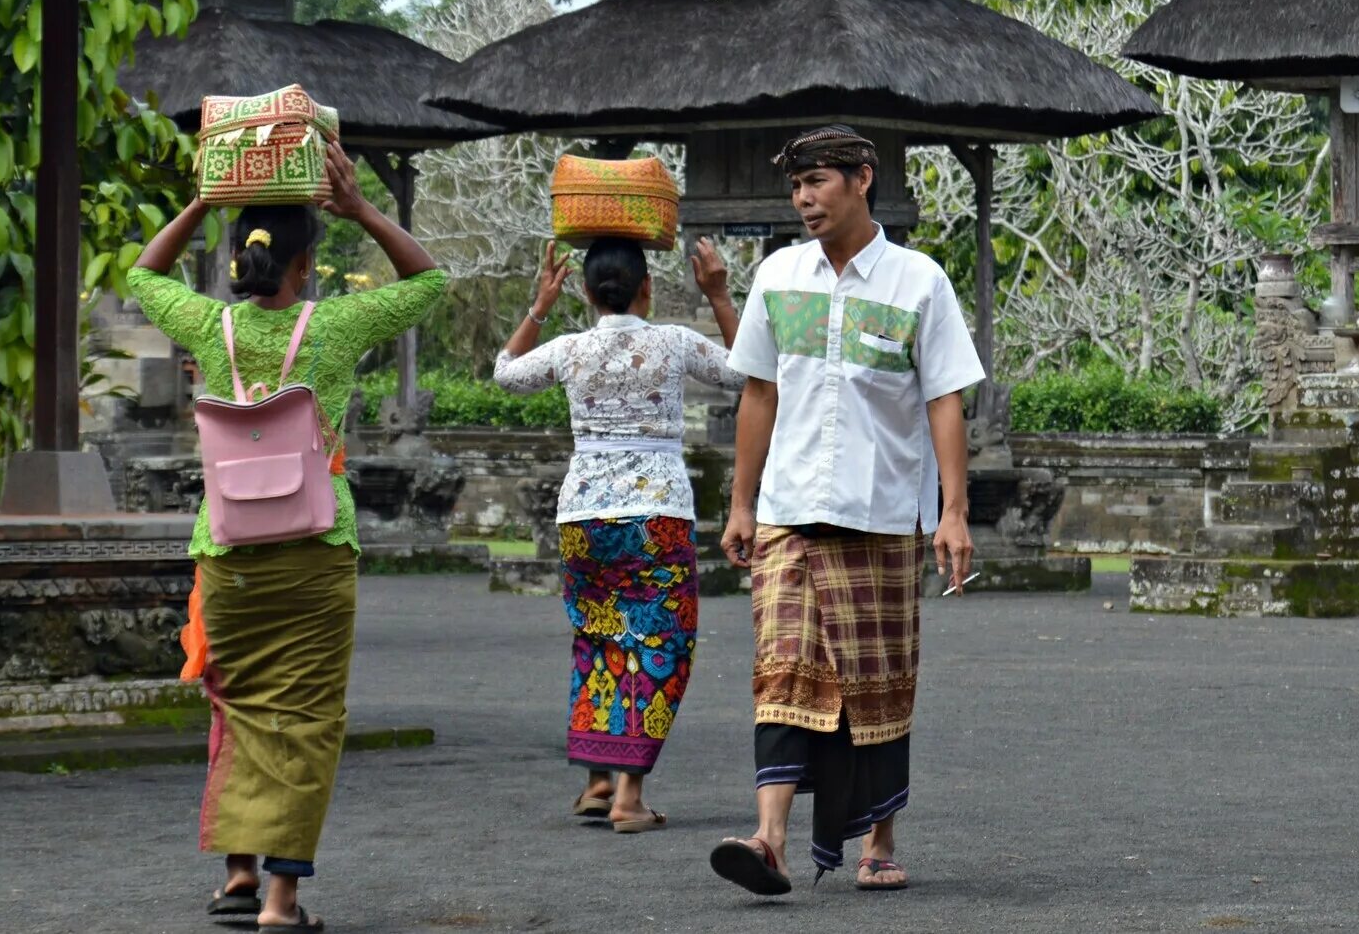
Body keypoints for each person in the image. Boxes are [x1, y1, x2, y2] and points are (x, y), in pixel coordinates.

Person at [128, 139, 444, 932]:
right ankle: (281, 899)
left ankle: (237, 874)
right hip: (315, 544)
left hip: (226, 550)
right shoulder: (335, 327)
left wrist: (204, 201)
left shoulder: (209, 327)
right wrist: (364, 209)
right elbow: (432, 281)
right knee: (304, 718)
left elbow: (140, 276)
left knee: (235, 709)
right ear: (304, 268)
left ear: (240, 259)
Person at [707, 125, 981, 898]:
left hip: (884, 512)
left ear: (863, 179)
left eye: (818, 181)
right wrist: (741, 501)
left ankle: (879, 841)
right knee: (782, 671)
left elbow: (945, 398)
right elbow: (759, 391)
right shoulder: (778, 276)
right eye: (796, 186)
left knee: (877, 683)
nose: (803, 198)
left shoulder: (919, 282)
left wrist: (952, 512)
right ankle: (768, 839)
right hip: (789, 513)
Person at [493, 233, 742, 833]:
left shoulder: (569, 349)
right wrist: (718, 295)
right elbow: (747, 371)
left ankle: (598, 782)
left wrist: (539, 307)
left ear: (585, 290)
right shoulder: (674, 343)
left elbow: (504, 374)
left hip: (584, 517)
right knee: (658, 643)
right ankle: (629, 796)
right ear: (647, 289)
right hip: (655, 514)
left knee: (598, 639)